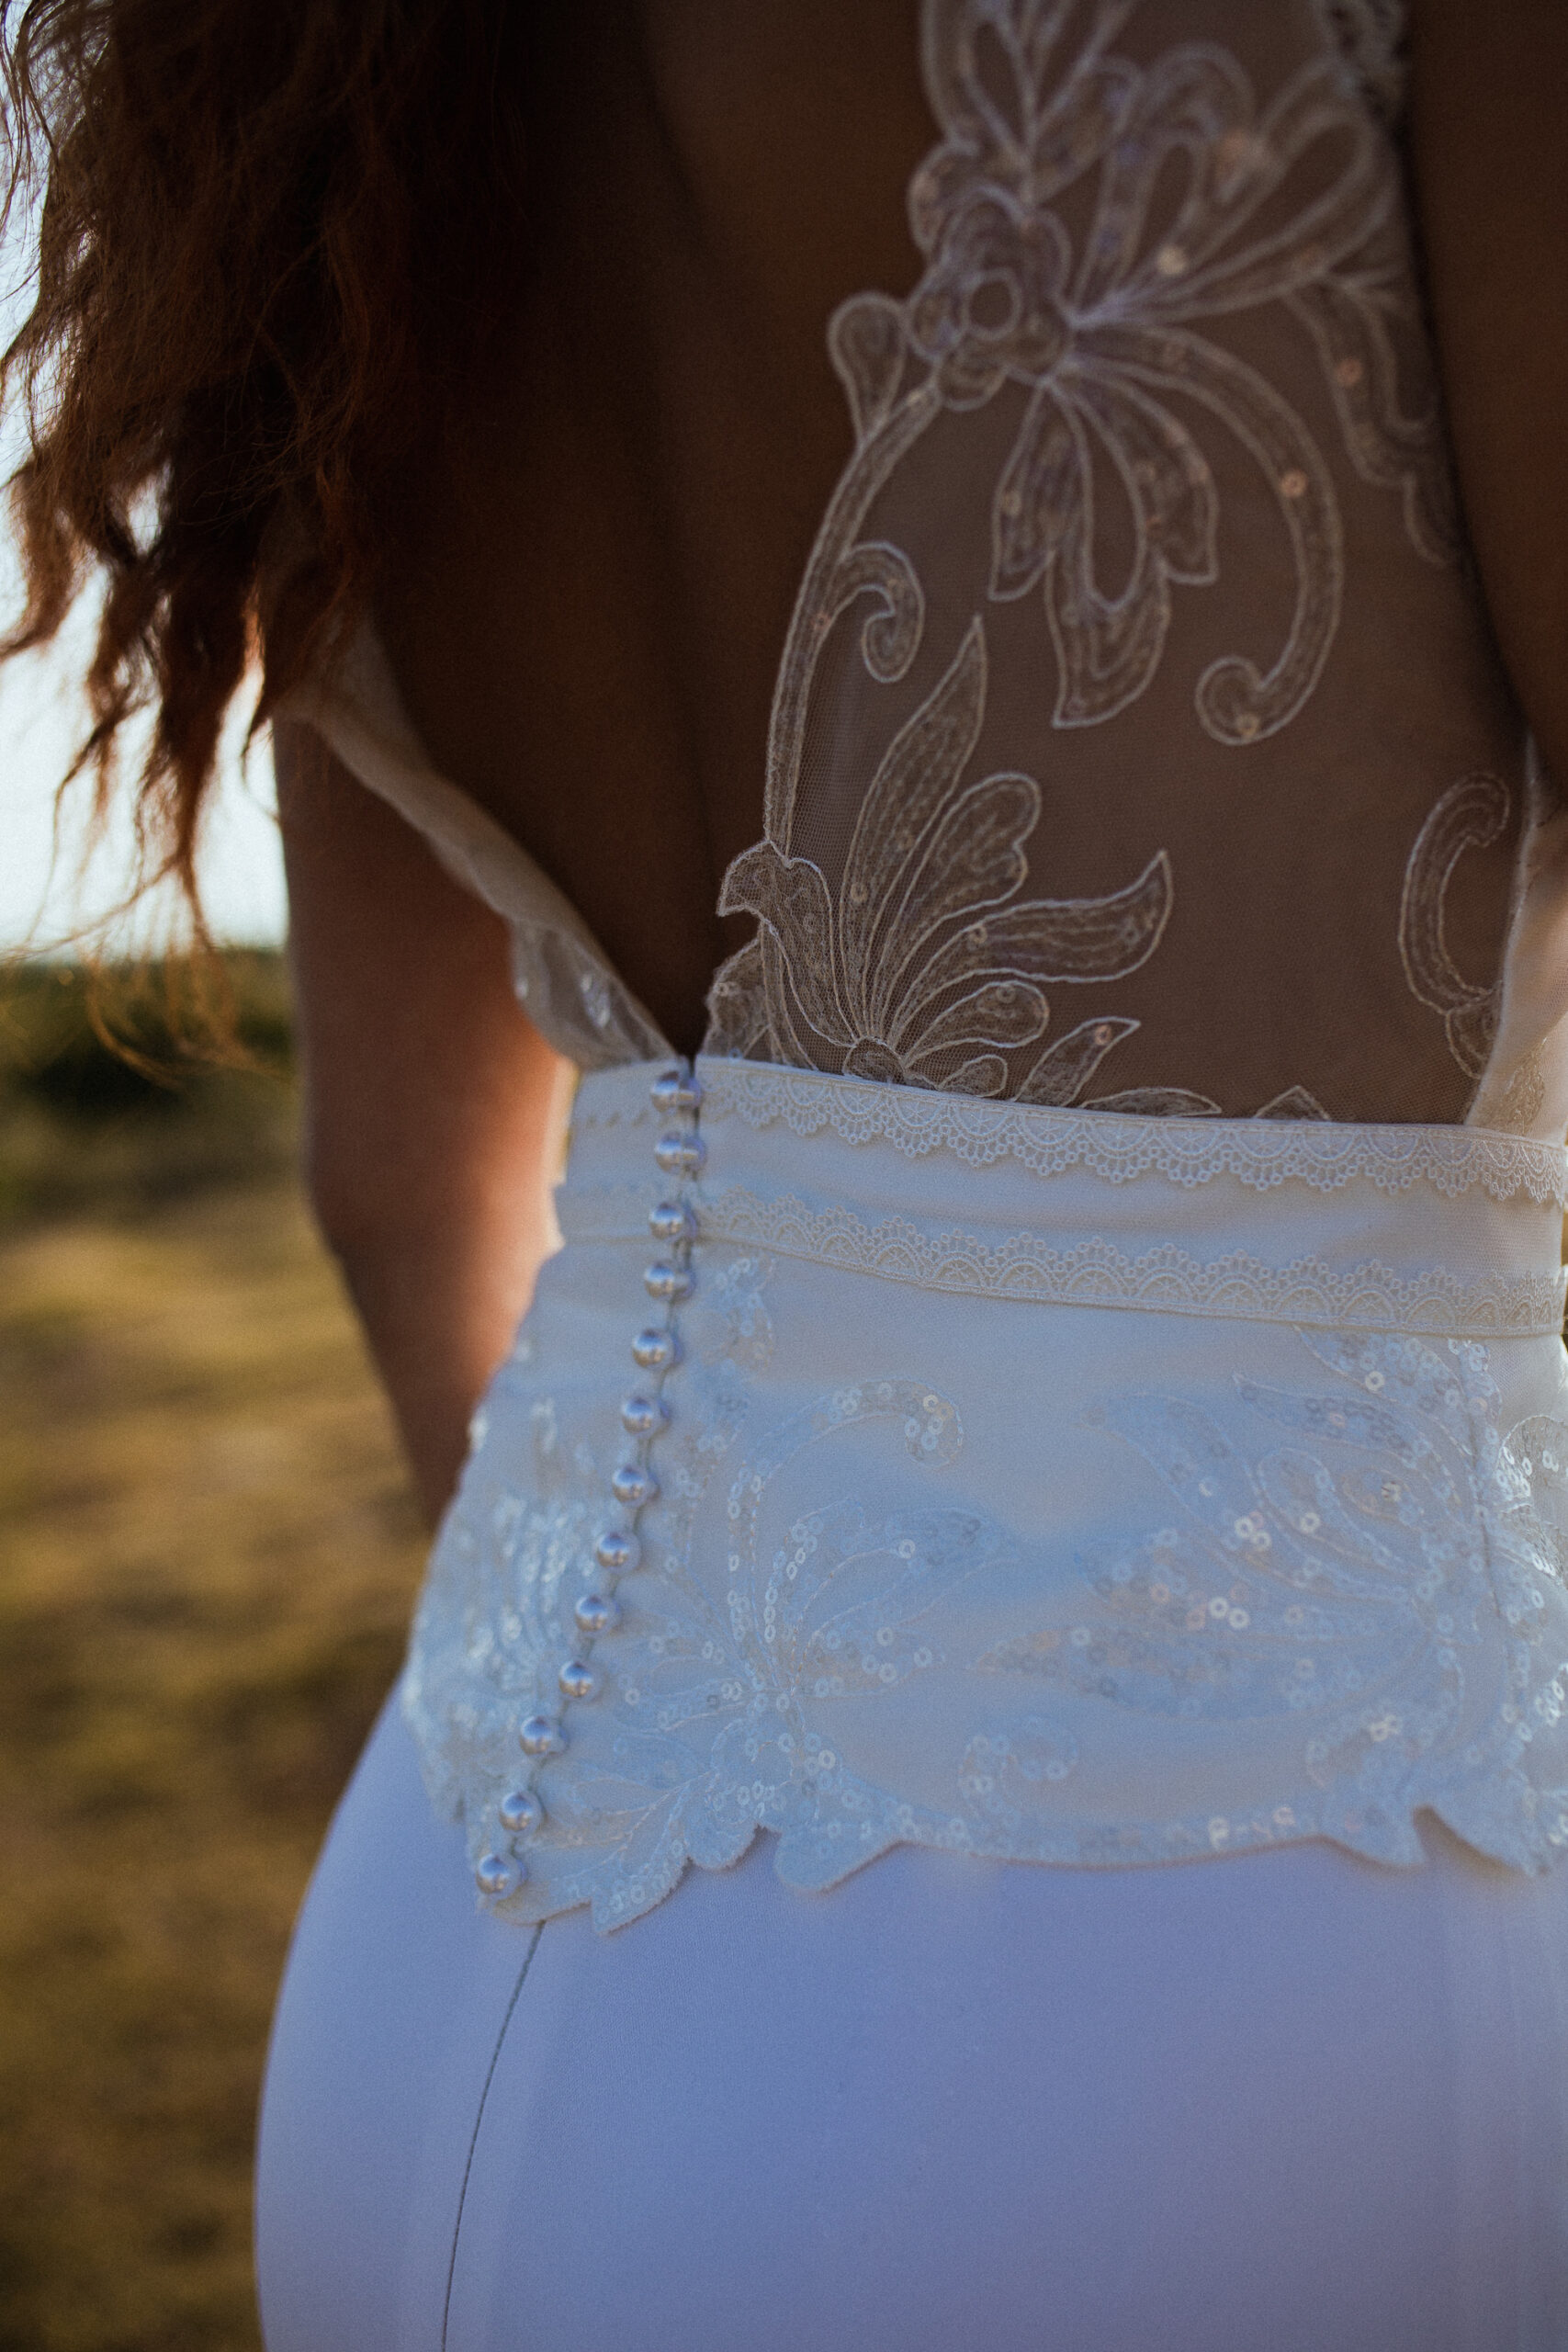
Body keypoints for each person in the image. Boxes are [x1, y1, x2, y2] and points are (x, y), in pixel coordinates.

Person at [6, 2, 1568, 2345]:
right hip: (1238, 1987)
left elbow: (395, 1184)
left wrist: (732, 1750)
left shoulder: (325, 76)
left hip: (453, 1935)